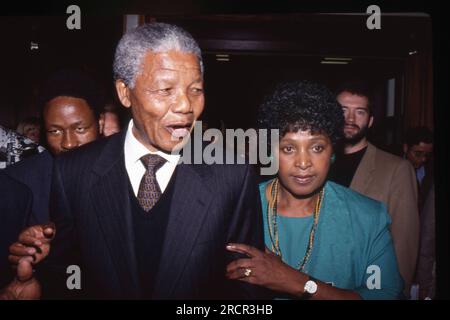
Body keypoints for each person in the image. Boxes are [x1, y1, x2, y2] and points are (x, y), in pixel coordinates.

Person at [4, 22, 264, 299]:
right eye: (165, 90)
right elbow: (68, 272)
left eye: (196, 90)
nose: (186, 105)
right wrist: (41, 281)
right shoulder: (72, 172)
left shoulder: (232, 174)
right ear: (124, 93)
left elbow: (245, 283)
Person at [226, 80, 403, 299]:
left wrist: (295, 282)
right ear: (271, 152)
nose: (303, 162)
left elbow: (386, 295)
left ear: (332, 152)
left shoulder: (367, 217)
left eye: (317, 147)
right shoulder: (236, 211)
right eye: (289, 148)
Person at [329, 82, 419, 298]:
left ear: (370, 121)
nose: (350, 119)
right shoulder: (314, 162)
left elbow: (405, 239)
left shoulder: (396, 168)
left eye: (359, 112)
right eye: (342, 111)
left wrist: (397, 292)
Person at [4, 69, 101, 225]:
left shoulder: (128, 169)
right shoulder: (18, 184)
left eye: (80, 129)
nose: (68, 143)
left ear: (100, 123)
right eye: (55, 131)